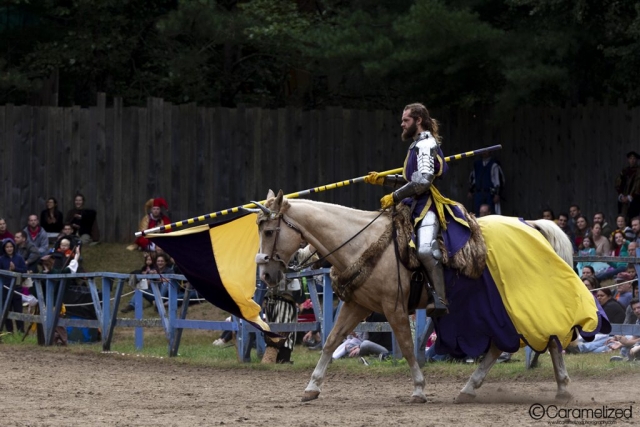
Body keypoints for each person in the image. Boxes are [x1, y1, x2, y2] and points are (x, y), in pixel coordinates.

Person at [365, 102, 465, 313]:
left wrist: (394, 196)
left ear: (418, 121)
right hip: (411, 204)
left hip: (426, 205)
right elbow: (410, 180)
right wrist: (382, 181)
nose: (402, 124)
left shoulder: (426, 145)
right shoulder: (415, 145)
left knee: (426, 249)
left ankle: (440, 299)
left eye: (406, 120)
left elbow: (422, 182)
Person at [0, 238, 28, 333]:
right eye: (7, 247)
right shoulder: (1, 259)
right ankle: (9, 331)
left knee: (18, 310)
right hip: (5, 288)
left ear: (14, 247)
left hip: (17, 288)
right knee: (6, 310)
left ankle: (21, 331)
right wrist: (7, 272)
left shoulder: (19, 258)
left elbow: (24, 270)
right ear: (4, 248)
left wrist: (15, 268)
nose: (9, 248)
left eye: (11, 246)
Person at [615, 151, 640, 221]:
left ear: (637, 160)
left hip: (635, 199)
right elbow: (618, 182)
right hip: (623, 198)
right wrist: (620, 194)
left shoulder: (638, 171)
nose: (632, 160)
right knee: (622, 217)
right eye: (630, 158)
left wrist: (631, 196)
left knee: (633, 217)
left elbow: (638, 186)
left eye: (634, 158)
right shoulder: (624, 171)